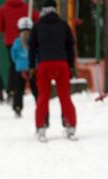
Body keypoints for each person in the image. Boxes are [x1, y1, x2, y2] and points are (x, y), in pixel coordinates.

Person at [29, 0, 77, 141]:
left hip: (44, 64)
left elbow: (32, 47)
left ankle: (41, 128)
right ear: (56, 10)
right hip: (61, 63)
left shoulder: (37, 26)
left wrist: (32, 66)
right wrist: (71, 66)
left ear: (43, 10)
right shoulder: (63, 25)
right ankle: (70, 127)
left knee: (43, 96)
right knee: (65, 96)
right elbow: (70, 46)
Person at [0, 0, 39, 100]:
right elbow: (36, 20)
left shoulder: (3, 9)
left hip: (11, 41)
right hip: (29, 40)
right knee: (30, 64)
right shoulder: (27, 7)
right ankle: (34, 91)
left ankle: (12, 91)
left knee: (14, 66)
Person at [10, 17, 38, 117]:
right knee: (35, 88)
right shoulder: (35, 40)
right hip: (33, 68)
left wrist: (18, 63)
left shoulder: (17, 41)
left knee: (19, 89)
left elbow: (13, 54)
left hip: (20, 68)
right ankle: (40, 106)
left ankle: (17, 108)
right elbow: (38, 53)